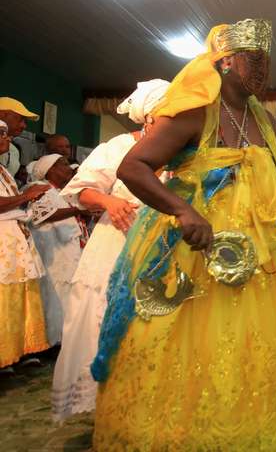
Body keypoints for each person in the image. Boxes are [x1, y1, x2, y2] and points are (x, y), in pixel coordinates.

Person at [90, 19, 276, 450]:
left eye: (267, 61)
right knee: (194, 335)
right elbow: (132, 168)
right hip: (201, 245)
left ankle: (255, 423)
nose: (263, 70)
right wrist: (182, 210)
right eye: (253, 60)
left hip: (264, 245)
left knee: (269, 334)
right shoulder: (195, 109)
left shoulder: (262, 117)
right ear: (225, 61)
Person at [51, 79, 170, 422]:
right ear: (146, 119)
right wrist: (108, 200)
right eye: (164, 118)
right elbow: (81, 191)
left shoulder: (179, 153)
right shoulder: (117, 148)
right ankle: (109, 407)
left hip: (160, 249)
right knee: (104, 319)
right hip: (115, 244)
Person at [0, 119, 50, 369]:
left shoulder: (3, 169)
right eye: (1, 134)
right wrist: (26, 196)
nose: (7, 139)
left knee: (16, 298)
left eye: (7, 134)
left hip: (13, 240)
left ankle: (14, 353)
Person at [25, 154, 83, 346]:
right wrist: (78, 210)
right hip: (50, 250)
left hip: (66, 250)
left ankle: (64, 338)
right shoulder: (39, 189)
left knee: (67, 292)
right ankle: (51, 340)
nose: (68, 169)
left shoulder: (62, 192)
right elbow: (42, 215)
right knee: (52, 293)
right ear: (51, 169)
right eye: (64, 165)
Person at [0, 97, 39, 177]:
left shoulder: (14, 151)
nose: (24, 126)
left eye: (25, 122)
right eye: (21, 119)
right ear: (2, 114)